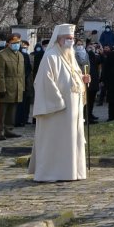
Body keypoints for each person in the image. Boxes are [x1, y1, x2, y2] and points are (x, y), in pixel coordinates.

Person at [29, 24, 89, 182]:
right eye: (68, 39)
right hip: (58, 110)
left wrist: (84, 81)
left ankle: (73, 172)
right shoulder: (51, 56)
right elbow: (44, 82)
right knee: (56, 141)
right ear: (59, 39)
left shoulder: (70, 55)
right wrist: (57, 101)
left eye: (72, 39)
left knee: (72, 140)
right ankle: (52, 172)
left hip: (73, 109)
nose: (71, 42)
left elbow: (75, 80)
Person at [0, 34, 25, 140]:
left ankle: (9, 130)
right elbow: (0, 73)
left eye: (18, 43)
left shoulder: (20, 55)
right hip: (6, 86)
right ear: (8, 44)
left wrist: (22, 87)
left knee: (12, 111)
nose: (17, 45)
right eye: (14, 43)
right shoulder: (2, 55)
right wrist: (2, 88)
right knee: (2, 111)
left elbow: (21, 74)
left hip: (17, 86)